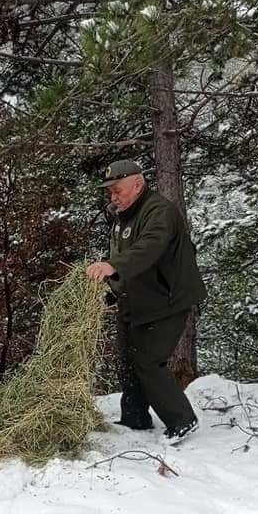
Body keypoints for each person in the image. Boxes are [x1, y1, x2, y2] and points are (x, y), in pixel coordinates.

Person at [86, 160, 206, 443]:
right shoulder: (122, 220)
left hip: (167, 301)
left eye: (117, 190)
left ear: (137, 184)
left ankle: (182, 420)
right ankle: (134, 418)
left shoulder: (159, 212)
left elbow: (148, 248)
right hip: (137, 302)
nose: (113, 197)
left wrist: (112, 266)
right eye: (110, 192)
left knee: (149, 361)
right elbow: (130, 265)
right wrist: (110, 290)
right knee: (127, 360)